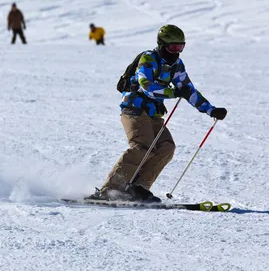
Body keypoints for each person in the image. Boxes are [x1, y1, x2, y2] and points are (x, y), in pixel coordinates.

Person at [89, 24, 228, 203]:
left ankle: (138, 188)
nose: (177, 51)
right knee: (142, 146)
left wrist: (211, 110)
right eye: (173, 47)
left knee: (166, 147)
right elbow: (148, 88)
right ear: (162, 45)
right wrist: (175, 92)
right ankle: (110, 190)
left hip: (153, 113)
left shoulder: (176, 65)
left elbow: (188, 89)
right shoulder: (148, 59)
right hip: (134, 109)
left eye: (181, 47)